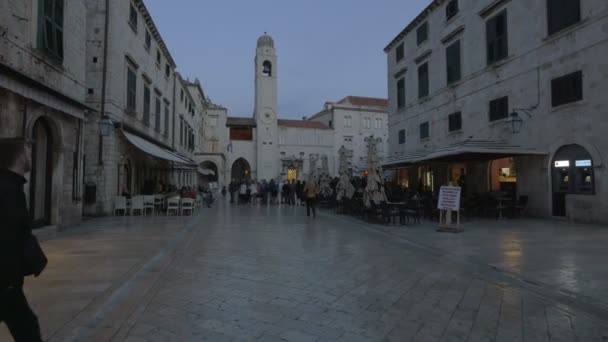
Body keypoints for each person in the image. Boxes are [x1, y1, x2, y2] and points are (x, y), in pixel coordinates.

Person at [0, 138, 43, 341]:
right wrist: (8, 282)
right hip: (5, 284)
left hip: (7, 282)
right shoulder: (8, 191)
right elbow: (7, 238)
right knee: (28, 331)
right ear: (18, 157)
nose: (30, 156)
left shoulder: (11, 187)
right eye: (27, 151)